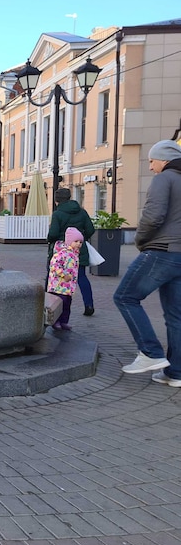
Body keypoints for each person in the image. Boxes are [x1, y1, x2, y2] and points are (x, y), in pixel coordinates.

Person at [114, 139, 181, 384]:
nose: (151, 167)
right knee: (176, 316)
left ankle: (150, 353)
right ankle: (176, 373)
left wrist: (139, 241)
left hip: (162, 251)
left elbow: (153, 217)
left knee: (125, 297)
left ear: (164, 159)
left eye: (152, 161)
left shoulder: (165, 178)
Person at [47, 187, 96, 316]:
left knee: (57, 278)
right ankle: (89, 304)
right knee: (81, 277)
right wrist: (80, 239)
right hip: (79, 250)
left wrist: (50, 239)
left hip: (61, 251)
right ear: (69, 198)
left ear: (57, 200)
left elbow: (53, 234)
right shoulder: (82, 212)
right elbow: (90, 229)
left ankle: (53, 308)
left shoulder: (57, 214)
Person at [47, 227, 83, 331]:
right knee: (59, 305)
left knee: (67, 305)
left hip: (68, 287)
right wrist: (63, 275)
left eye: (80, 242)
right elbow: (54, 266)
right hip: (58, 285)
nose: (78, 244)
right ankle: (56, 321)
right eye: (76, 241)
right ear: (69, 241)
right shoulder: (62, 253)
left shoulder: (75, 255)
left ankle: (64, 321)